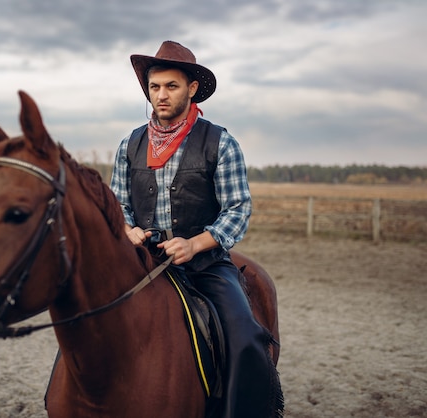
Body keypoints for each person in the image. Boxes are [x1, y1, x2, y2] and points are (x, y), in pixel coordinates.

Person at [110, 40, 282, 417]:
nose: (161, 95)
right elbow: (118, 203)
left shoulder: (221, 142)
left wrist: (195, 244)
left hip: (203, 264)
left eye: (171, 86)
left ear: (191, 89)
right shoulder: (129, 143)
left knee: (245, 337)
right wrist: (126, 229)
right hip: (140, 261)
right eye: (155, 87)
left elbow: (238, 209)